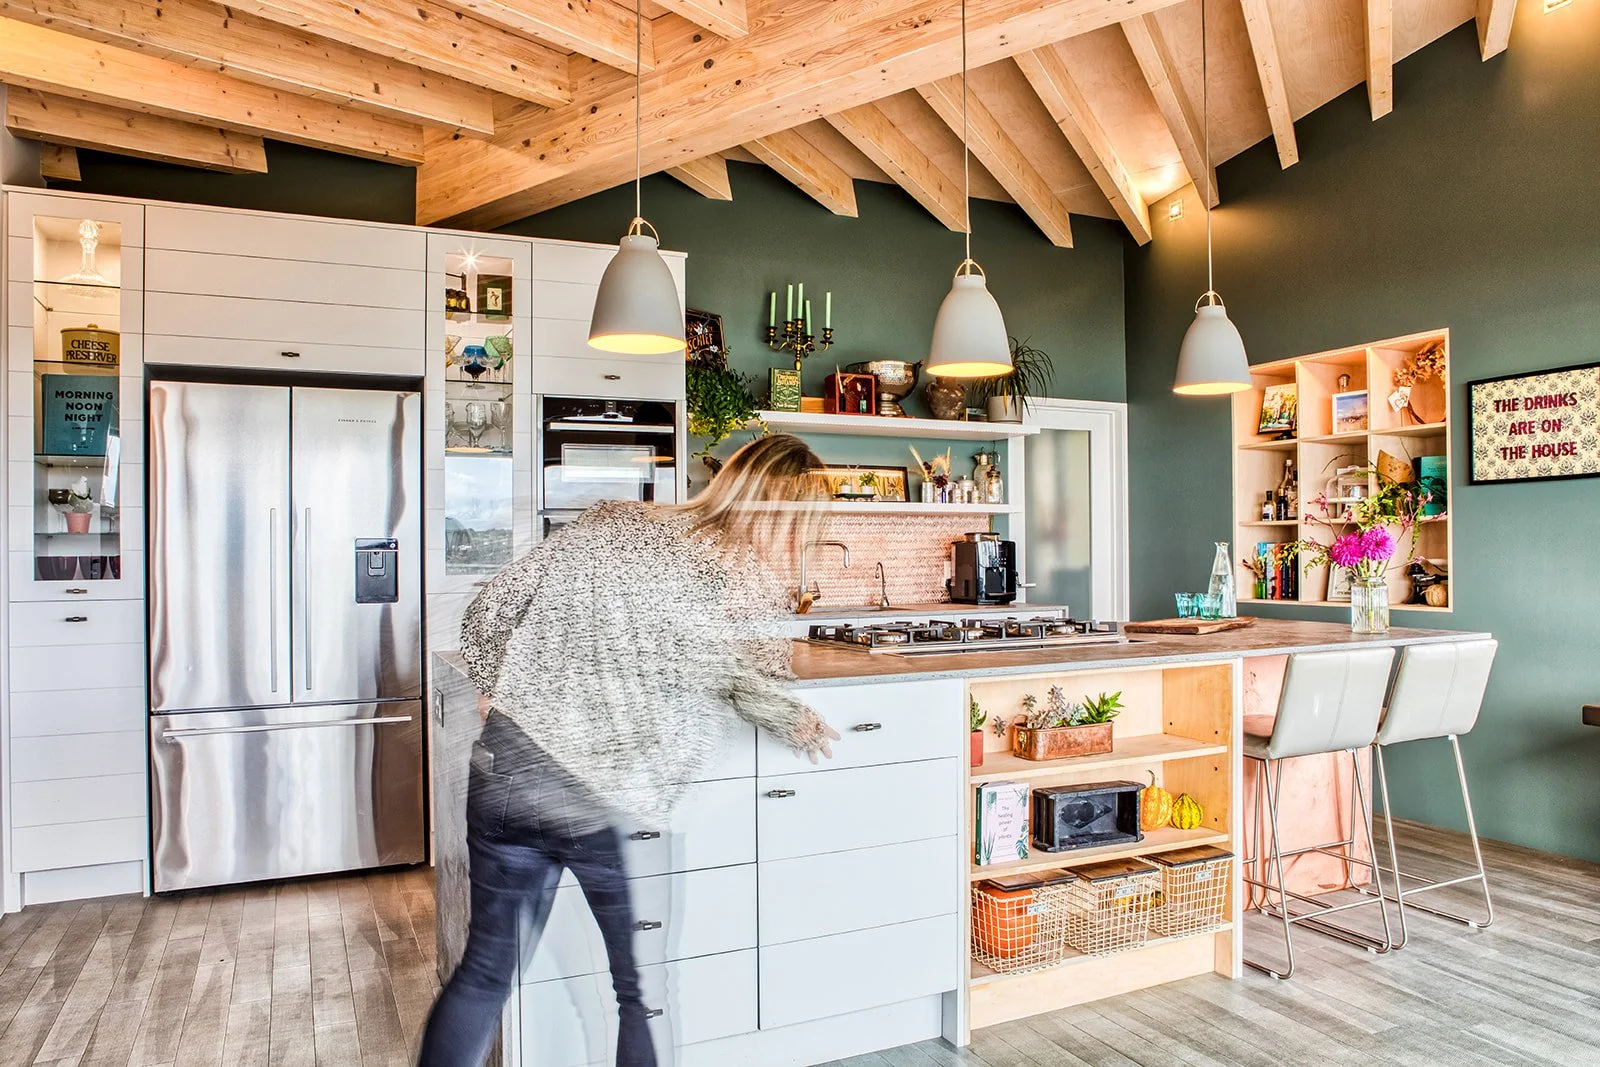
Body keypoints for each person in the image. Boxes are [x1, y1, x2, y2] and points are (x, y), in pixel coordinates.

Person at [419, 433, 840, 1067]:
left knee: (483, 975)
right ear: (788, 514)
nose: (799, 544)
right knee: (641, 997)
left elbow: (487, 611)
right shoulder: (739, 573)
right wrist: (796, 720)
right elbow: (739, 674)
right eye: (802, 528)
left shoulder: (609, 520)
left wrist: (494, 684)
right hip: (613, 805)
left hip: (507, 772)